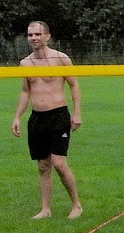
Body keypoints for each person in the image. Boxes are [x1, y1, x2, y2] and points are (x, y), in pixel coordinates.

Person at [12, 20, 83, 219]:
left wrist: (77, 113)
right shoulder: (25, 63)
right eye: (30, 35)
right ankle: (45, 209)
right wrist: (17, 116)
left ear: (47, 36)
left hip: (58, 115)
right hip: (37, 118)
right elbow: (25, 91)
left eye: (37, 34)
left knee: (59, 163)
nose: (33, 38)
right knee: (43, 165)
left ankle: (76, 205)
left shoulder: (61, 58)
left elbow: (74, 85)